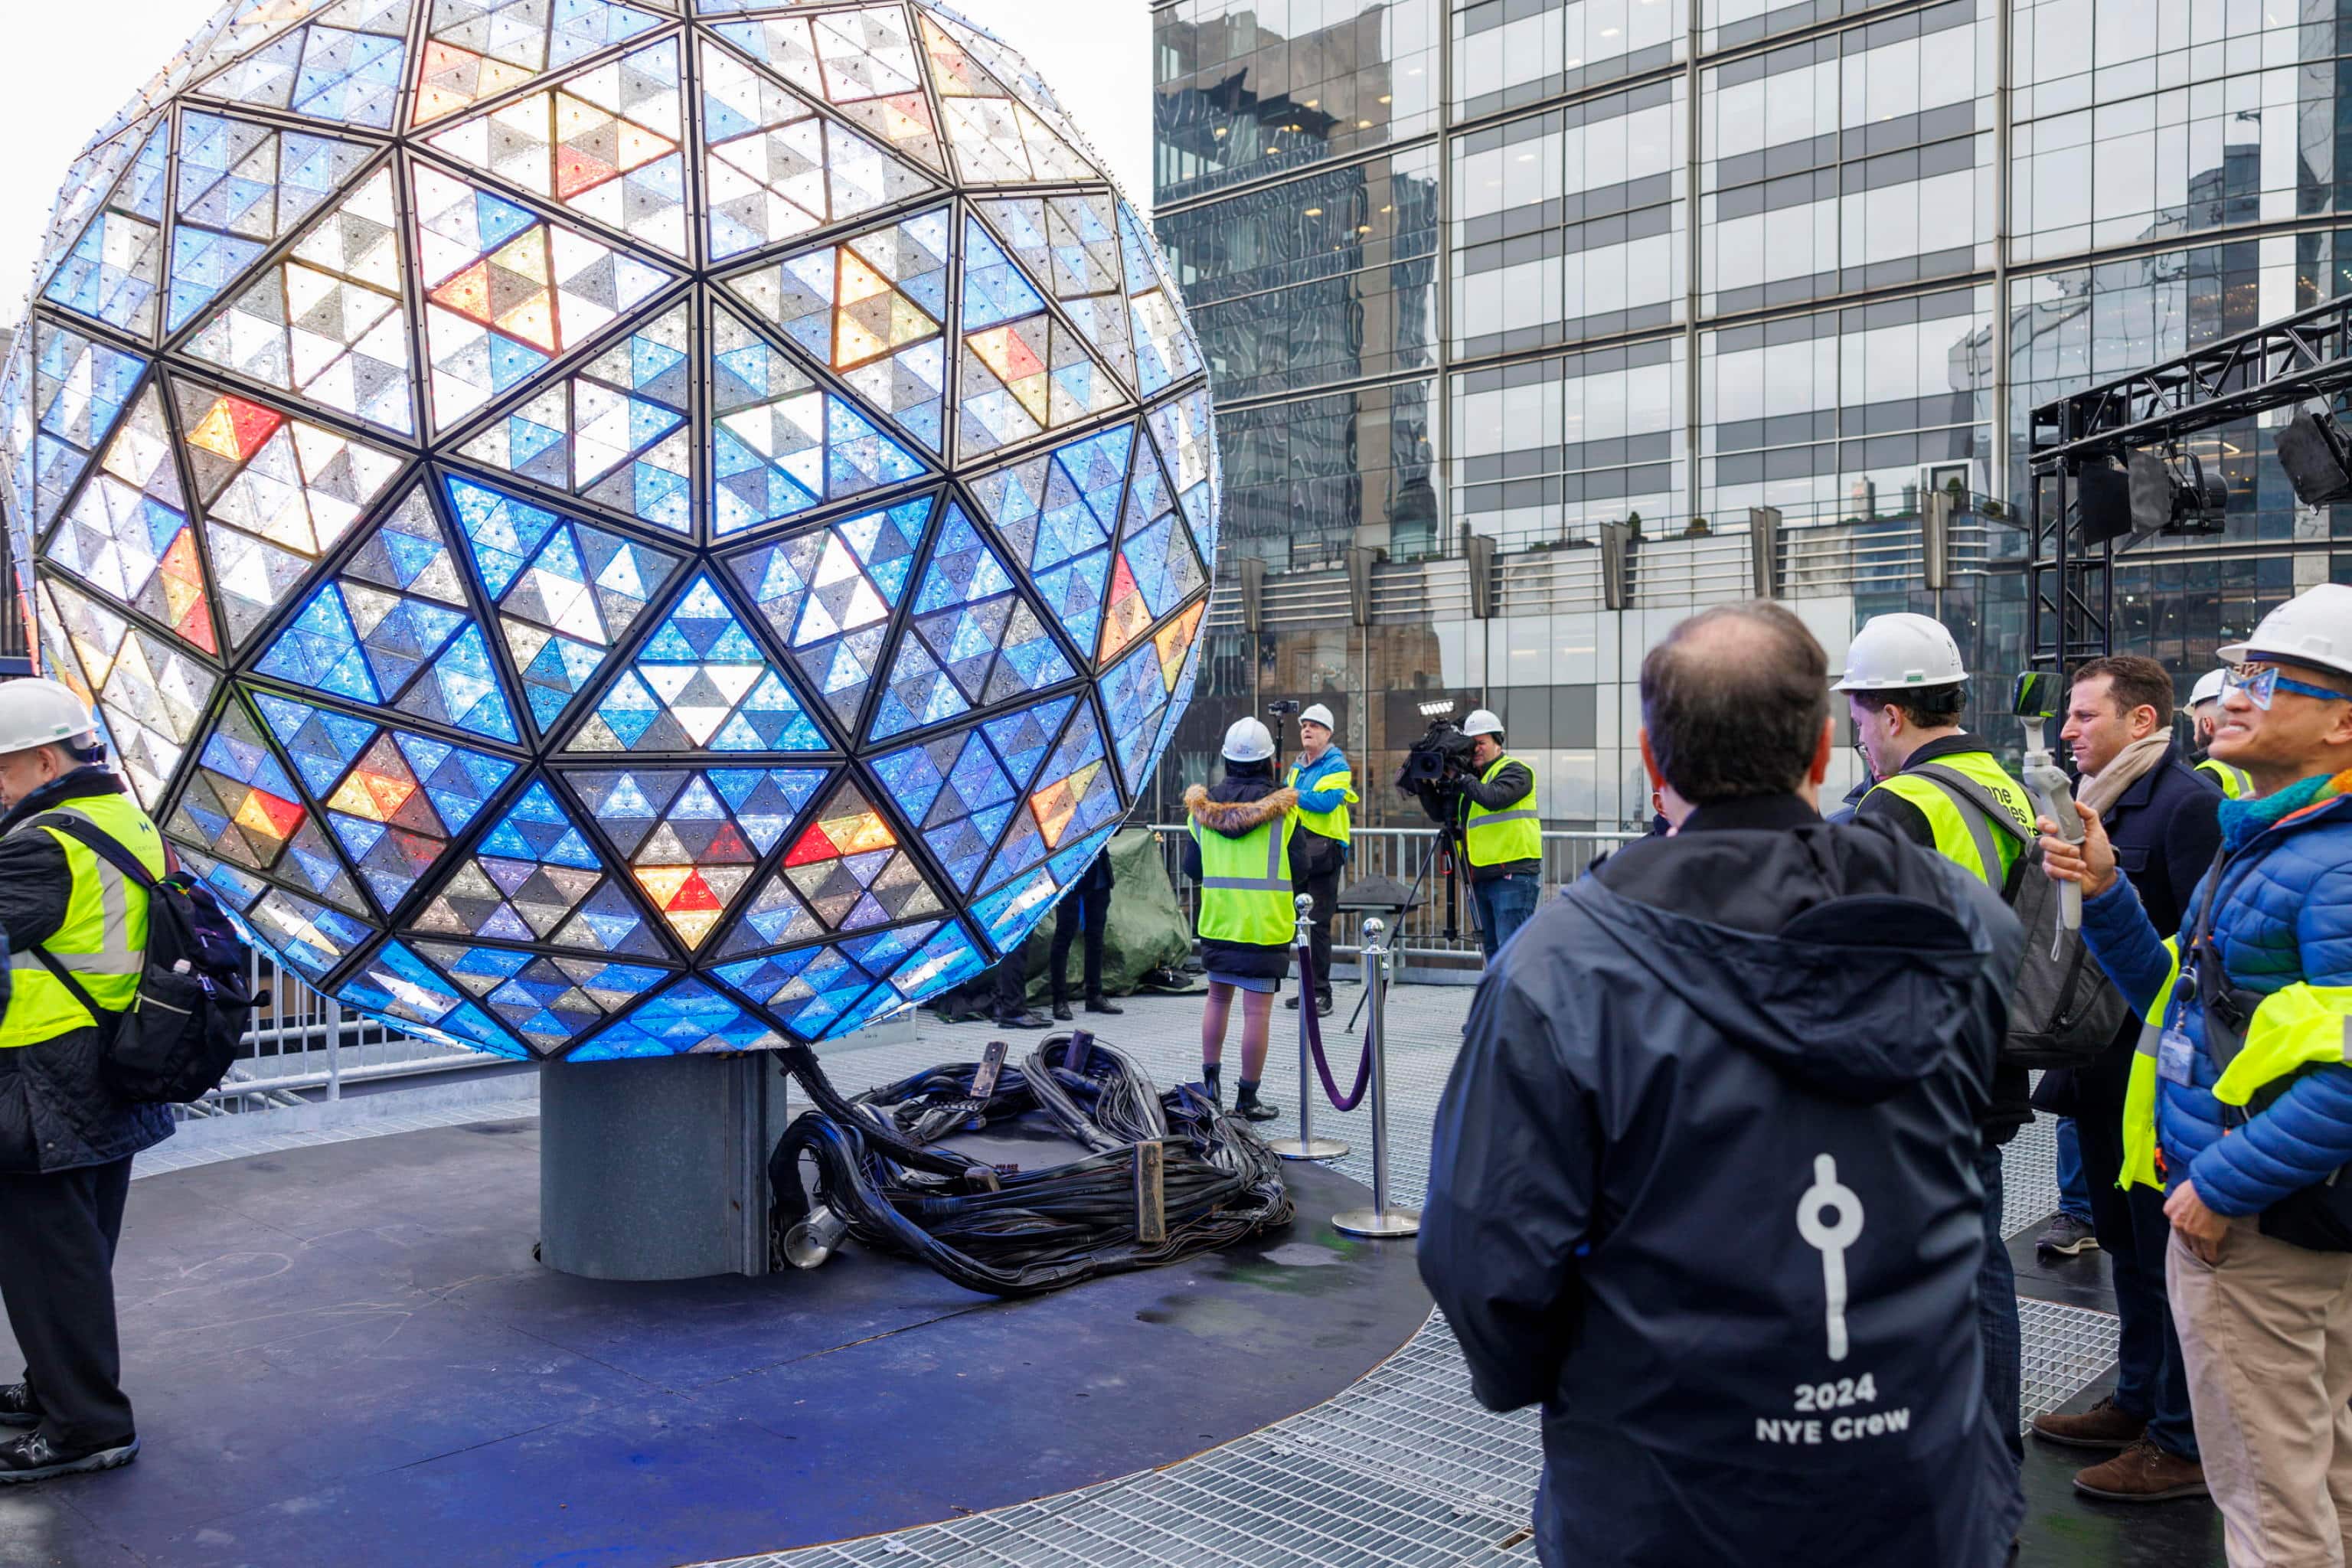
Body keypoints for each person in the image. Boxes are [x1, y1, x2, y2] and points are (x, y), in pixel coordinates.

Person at [1421, 602, 2024, 1567]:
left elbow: (1482, 1251)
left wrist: (1576, 1376)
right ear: (1823, 749)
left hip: (1664, 1497)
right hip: (1921, 1489)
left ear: (1654, 765)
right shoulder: (1963, 922)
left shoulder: (1557, 966)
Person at [2044, 584, 2352, 1566]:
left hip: (2264, 1222)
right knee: (2318, 1480)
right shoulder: (2272, 835)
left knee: (2271, 1505)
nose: (2234, 696)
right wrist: (2105, 894)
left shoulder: (2332, 864)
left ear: (2342, 721)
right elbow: (2180, 993)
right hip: (2264, 1211)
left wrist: (2217, 1186)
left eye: (2268, 677)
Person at [1837, 610, 2037, 1471]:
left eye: (1860, 720)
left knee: (1931, 1273)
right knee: (1982, 1262)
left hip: (1923, 1069)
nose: (1860, 740)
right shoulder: (2006, 785)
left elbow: (1849, 950)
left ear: (1891, 713)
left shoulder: (1900, 803)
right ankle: (1994, 1455)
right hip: (1993, 1055)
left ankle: (1958, 1462)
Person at [2026, 656, 2219, 1504]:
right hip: (2101, 1075)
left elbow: (2186, 968)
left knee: (2164, 1260)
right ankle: (2138, 1400)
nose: (2067, 730)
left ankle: (2179, 1436)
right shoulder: (2092, 803)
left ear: (2141, 721)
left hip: (2156, 1080)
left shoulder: (2186, 806)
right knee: (2130, 1258)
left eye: (2083, 714)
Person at [0, 678, 172, 1484]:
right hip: (112, 1066)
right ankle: (55, 1390)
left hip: (42, 1082)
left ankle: (86, 1427)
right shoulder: (122, 817)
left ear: (40, 759)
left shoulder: (41, 842)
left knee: (47, 1259)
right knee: (74, 1251)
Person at [1182, 717, 1297, 1122]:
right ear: (1269, 761)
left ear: (1227, 761)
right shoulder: (1285, 813)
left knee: (1216, 999)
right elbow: (1298, 865)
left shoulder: (1201, 812)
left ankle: (1209, 1087)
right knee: (1256, 1013)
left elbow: (1191, 868)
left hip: (1218, 922)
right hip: (1264, 926)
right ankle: (1247, 1100)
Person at [1282, 702, 1355, 1017]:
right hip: (1300, 849)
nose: (1307, 730)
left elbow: (1326, 802)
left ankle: (1321, 993)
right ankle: (1307, 990)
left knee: (1319, 924)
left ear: (1328, 733)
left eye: (1314, 726)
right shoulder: (1297, 766)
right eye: (1304, 726)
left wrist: (1292, 795)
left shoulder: (1337, 765)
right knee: (1302, 923)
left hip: (1325, 853)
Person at [1452, 709, 1540, 958]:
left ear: (1498, 743)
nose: (1475, 749)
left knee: (1512, 953)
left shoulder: (1516, 771)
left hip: (1512, 875)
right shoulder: (1472, 780)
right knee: (1491, 952)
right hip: (1480, 875)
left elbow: (1494, 798)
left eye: (1481, 743)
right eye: (1472, 745)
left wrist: (1461, 777)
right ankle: (1497, 998)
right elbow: (1442, 814)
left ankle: (1517, 998)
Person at [1047, 854, 1119, 1023]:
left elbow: (1116, 831)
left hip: (1099, 875)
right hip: (1072, 873)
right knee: (1064, 937)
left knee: (1096, 939)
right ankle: (1059, 1000)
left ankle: (1094, 994)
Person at [2185, 668, 2250, 798]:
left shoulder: (2204, 777)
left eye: (2195, 725)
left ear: (2207, 724)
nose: (2194, 736)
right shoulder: (2265, 766)